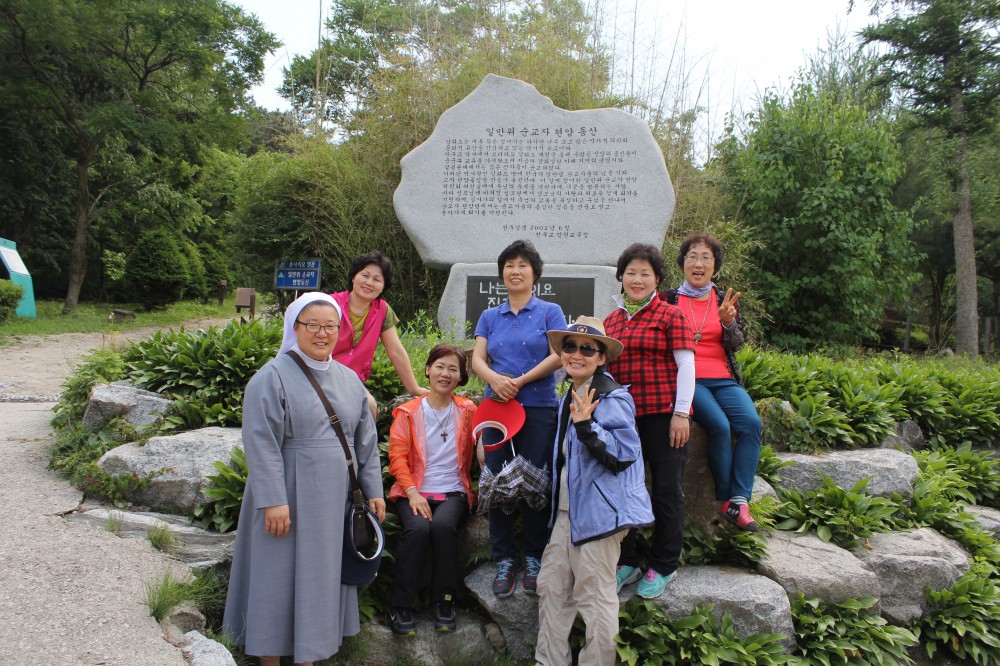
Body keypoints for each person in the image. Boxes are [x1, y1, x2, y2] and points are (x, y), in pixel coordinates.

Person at [223, 292, 386, 666]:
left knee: (320, 578)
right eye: (312, 325)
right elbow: (261, 443)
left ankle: (308, 658)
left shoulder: (349, 380)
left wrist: (374, 491)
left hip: (333, 500)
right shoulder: (271, 378)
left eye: (330, 326)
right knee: (275, 577)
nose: (322, 333)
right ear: (294, 327)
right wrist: (273, 500)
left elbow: (365, 441)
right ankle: (269, 660)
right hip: (288, 498)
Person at [535, 318, 654, 666]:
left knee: (596, 600)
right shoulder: (571, 395)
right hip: (567, 513)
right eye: (570, 346)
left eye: (587, 349)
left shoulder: (612, 397)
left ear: (601, 358)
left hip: (599, 516)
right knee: (552, 588)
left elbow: (625, 453)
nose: (577, 354)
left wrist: (587, 426)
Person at [470, 239, 566, 598]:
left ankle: (534, 557)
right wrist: (495, 380)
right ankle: (505, 559)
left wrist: (521, 381)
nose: (515, 271)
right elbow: (477, 358)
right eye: (509, 265)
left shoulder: (550, 311)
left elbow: (559, 355)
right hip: (496, 409)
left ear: (534, 273)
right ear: (502, 274)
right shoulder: (489, 316)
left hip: (538, 406)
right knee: (498, 481)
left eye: (523, 265)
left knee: (536, 482)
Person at [603, 243, 695, 599]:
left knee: (667, 490)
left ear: (657, 279)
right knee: (623, 488)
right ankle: (627, 561)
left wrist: (681, 412)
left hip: (662, 415)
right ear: (621, 277)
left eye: (645, 273)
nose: (637, 280)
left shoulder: (671, 315)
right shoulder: (611, 321)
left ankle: (665, 563)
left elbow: (686, 365)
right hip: (622, 420)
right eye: (631, 273)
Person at [666, 233, 763, 531]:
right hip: (689, 379)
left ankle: (740, 500)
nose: (698, 264)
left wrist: (728, 322)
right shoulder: (668, 299)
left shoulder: (724, 301)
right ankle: (726, 499)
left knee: (751, 424)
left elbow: (737, 345)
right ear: (683, 262)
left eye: (705, 258)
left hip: (723, 378)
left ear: (715, 266)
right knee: (719, 426)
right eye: (692, 257)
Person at [385, 344, 477, 636]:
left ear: (460, 376)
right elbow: (397, 457)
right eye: (439, 366)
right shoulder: (408, 413)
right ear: (427, 370)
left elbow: (486, 438)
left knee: (443, 527)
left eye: (453, 369)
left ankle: (445, 602)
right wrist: (412, 492)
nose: (445, 374)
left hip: (453, 491)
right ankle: (400, 606)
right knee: (417, 529)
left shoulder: (468, 410)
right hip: (413, 491)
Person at [331, 251, 430, 415]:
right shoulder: (330, 304)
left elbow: (396, 351)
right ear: (353, 277)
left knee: (369, 408)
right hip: (321, 373)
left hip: (351, 381)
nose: (369, 283)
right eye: (365, 275)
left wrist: (414, 388)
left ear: (383, 286)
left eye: (377, 280)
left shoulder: (382, 310)